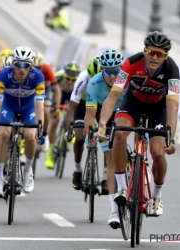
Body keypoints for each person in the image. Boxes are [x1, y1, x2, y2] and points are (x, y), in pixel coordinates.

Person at [98, 31, 179, 217]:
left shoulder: (171, 69)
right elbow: (114, 96)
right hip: (132, 104)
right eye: (152, 52)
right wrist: (103, 123)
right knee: (118, 133)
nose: (155, 57)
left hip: (158, 109)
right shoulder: (131, 63)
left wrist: (171, 137)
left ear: (165, 56)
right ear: (145, 51)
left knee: (158, 152)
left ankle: (157, 197)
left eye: (160, 54)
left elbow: (172, 106)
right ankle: (122, 188)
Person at [0, 46, 45, 196]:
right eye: (18, 64)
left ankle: (27, 171)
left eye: (26, 65)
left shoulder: (38, 77)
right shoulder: (3, 75)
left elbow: (40, 107)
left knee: (30, 136)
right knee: (3, 134)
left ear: (31, 66)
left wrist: (40, 130)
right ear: (12, 64)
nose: (21, 69)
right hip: (9, 106)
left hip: (29, 108)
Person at [84, 50, 125, 228]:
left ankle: (139, 168)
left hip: (126, 112)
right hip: (105, 116)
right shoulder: (94, 83)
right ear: (102, 71)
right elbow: (90, 114)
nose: (113, 75)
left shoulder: (127, 81)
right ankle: (114, 211)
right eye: (109, 71)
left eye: (117, 70)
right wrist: (90, 132)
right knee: (110, 157)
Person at [64, 57, 111, 194]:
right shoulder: (82, 79)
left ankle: (105, 177)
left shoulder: (109, 80)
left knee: (107, 138)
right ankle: (77, 170)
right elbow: (72, 108)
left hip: (102, 105)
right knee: (79, 136)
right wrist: (69, 129)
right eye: (92, 78)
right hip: (84, 105)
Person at [45, 61, 80, 169]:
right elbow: (50, 92)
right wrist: (52, 105)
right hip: (59, 98)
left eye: (73, 80)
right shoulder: (58, 77)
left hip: (72, 99)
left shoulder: (80, 81)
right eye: (68, 79)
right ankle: (50, 154)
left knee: (72, 116)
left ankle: (70, 132)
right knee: (54, 122)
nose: (70, 82)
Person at [32, 51, 61, 152]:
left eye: (39, 68)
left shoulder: (47, 69)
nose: (37, 70)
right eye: (34, 68)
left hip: (45, 90)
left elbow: (57, 89)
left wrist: (56, 106)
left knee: (45, 111)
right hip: (31, 90)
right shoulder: (25, 70)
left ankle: (44, 134)